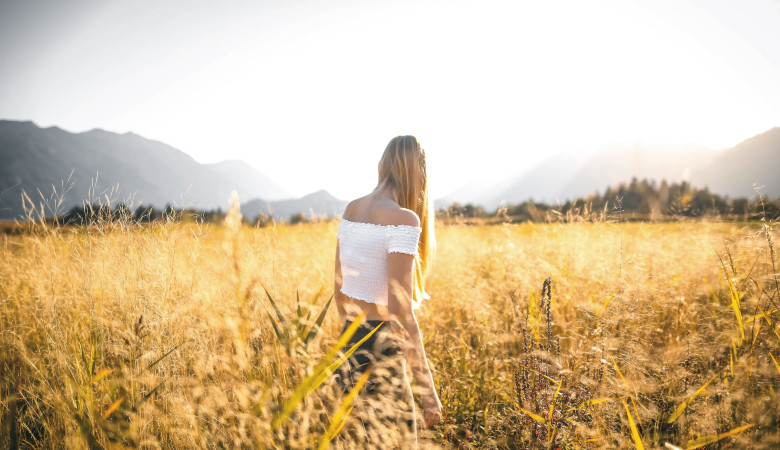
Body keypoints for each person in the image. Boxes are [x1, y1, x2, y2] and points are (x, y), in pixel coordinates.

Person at [333, 135, 442, 445]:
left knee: (357, 442)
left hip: (349, 341)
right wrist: (427, 389)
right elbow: (400, 310)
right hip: (384, 348)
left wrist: (350, 342)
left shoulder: (352, 209)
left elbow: (339, 288)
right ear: (418, 171)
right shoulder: (404, 219)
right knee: (401, 443)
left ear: (383, 165)